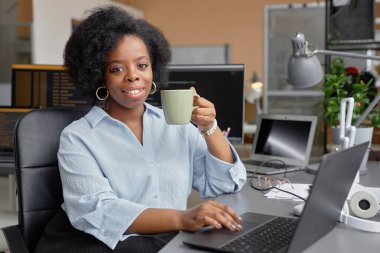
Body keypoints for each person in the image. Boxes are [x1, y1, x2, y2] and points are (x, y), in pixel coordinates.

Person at [35, 5, 246, 253]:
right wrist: (182, 218)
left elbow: (226, 184)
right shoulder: (78, 137)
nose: (133, 76)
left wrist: (210, 127)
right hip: (93, 243)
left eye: (142, 65)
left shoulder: (177, 127)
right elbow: (100, 211)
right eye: (117, 68)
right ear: (99, 76)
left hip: (163, 241)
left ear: (153, 68)